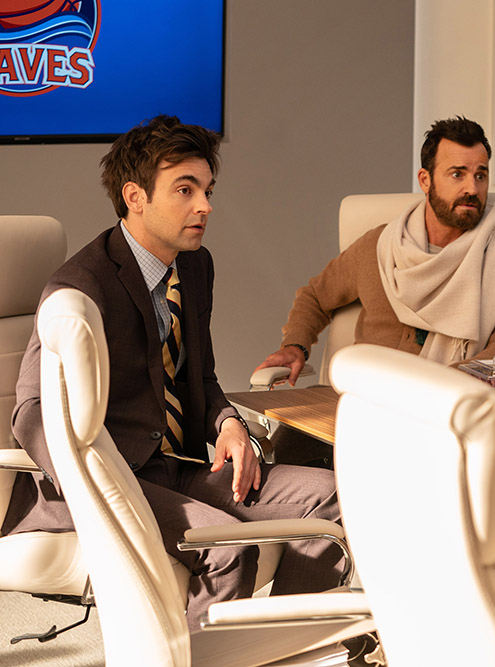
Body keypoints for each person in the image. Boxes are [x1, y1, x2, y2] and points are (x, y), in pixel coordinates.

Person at [3, 115, 344, 632]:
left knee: (333, 495)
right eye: (185, 190)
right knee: (228, 550)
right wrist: (99, 484)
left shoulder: (195, 266)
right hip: (112, 480)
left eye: (207, 190)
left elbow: (200, 377)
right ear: (135, 197)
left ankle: (280, 648)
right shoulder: (79, 285)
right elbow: (30, 413)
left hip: (176, 465)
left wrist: (229, 424)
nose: (205, 205)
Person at [255, 116, 495, 387]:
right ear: (425, 180)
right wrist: (295, 345)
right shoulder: (378, 247)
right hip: (362, 396)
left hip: (447, 404)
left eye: (480, 175)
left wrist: (427, 388)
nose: (472, 188)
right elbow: (315, 296)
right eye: (457, 174)